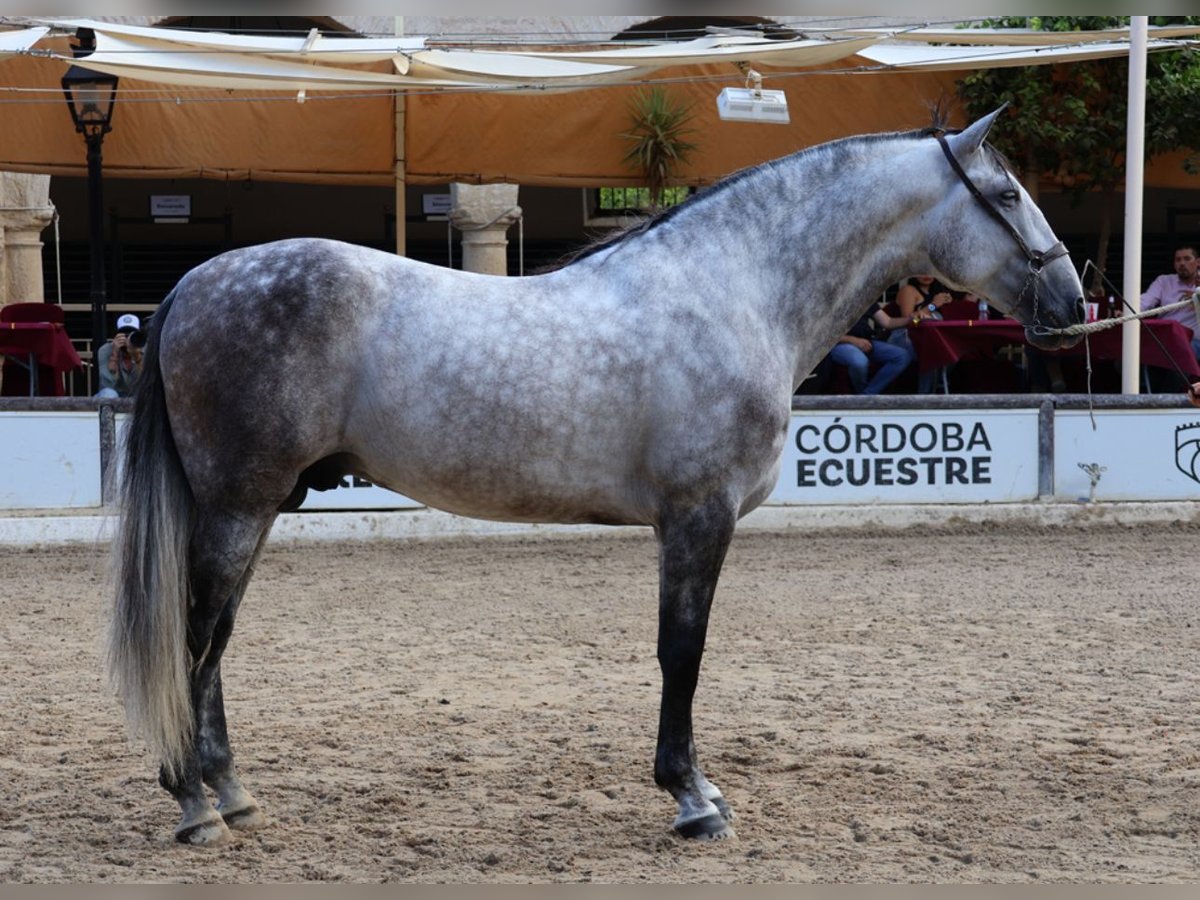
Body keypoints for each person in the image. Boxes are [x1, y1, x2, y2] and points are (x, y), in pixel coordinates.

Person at [828, 299, 915, 395]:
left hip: (866, 341)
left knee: (903, 356)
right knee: (860, 361)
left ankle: (866, 395)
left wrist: (914, 319)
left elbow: (888, 322)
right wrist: (853, 340)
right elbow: (824, 335)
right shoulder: (830, 300)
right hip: (839, 343)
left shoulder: (863, 297)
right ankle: (862, 394)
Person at [891, 275, 953, 393]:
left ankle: (939, 386)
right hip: (905, 337)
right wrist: (933, 305)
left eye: (929, 271)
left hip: (929, 338)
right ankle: (925, 396)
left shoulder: (936, 292)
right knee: (932, 351)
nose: (926, 275)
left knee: (950, 349)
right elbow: (908, 321)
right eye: (922, 271)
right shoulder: (908, 290)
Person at [1142, 244, 1200, 361]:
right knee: (1130, 356)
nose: (1182, 263)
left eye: (1187, 259)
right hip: (1164, 338)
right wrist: (1126, 311)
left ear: (1198, 262)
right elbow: (1145, 301)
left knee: (1180, 355)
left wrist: (1197, 297)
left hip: (1193, 340)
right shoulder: (1164, 281)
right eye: (1178, 260)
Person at [94, 313, 144, 399]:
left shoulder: (146, 350)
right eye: (124, 335)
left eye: (131, 335)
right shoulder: (105, 350)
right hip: (113, 395)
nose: (127, 339)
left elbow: (146, 384)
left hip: (137, 397)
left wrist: (137, 357)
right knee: (109, 393)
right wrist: (114, 355)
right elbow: (107, 385)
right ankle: (107, 412)